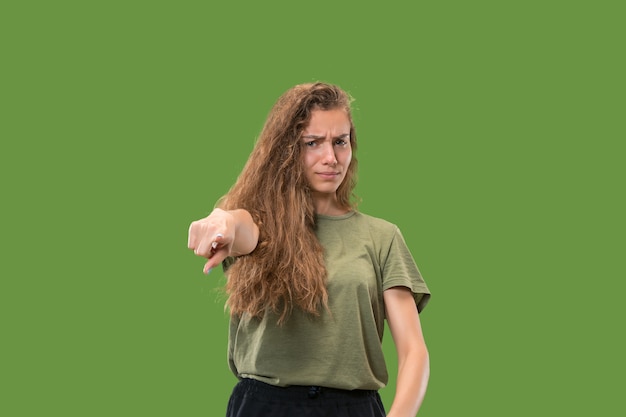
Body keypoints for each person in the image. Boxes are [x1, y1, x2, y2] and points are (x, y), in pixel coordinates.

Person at [187, 82, 431, 417]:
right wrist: (222, 222)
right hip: (264, 406)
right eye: (312, 143)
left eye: (340, 142)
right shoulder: (260, 222)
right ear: (285, 150)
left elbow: (414, 350)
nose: (330, 158)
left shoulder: (382, 237)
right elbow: (241, 227)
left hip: (351, 408)